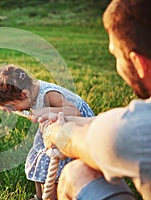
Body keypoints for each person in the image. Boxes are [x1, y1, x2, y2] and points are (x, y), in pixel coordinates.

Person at [40, 0, 151, 199]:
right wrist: (77, 121)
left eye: (115, 55)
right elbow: (102, 126)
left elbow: (74, 139)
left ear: (138, 63)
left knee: (76, 173)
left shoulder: (137, 131)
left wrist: (55, 131)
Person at [0, 64, 94, 200]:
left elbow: (75, 112)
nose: (13, 111)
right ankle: (40, 196)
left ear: (24, 94)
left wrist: (46, 111)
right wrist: (7, 106)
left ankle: (51, 196)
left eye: (12, 107)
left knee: (48, 160)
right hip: (53, 123)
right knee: (37, 154)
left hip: (74, 124)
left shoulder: (49, 94)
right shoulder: (28, 94)